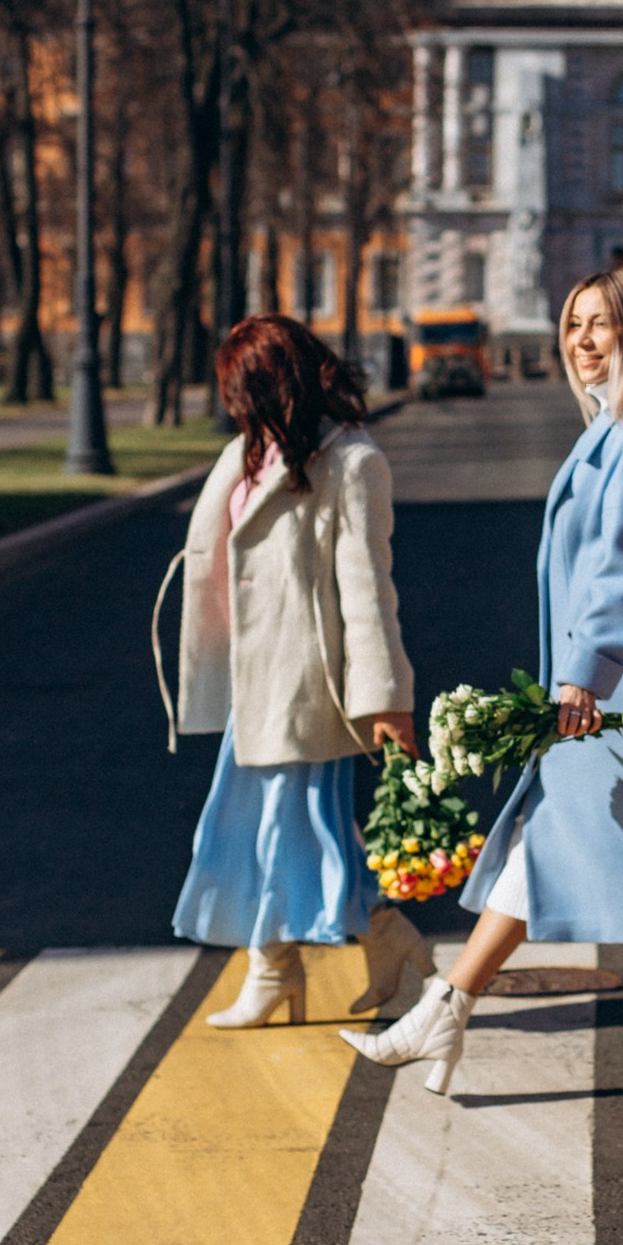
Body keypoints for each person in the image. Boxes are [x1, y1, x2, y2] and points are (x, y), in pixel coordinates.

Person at [341, 268, 623, 1107]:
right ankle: (448, 1007)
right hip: (608, 696)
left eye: (601, 324)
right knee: (547, 843)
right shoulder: (618, 424)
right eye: (573, 324)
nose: (581, 339)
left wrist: (584, 675)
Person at [153, 314, 430, 1028]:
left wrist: (386, 698)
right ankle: (336, 951)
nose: (236, 405)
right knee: (258, 831)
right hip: (254, 684)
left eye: (246, 388)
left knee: (290, 833)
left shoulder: (352, 463)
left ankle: (291, 968)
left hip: (308, 690)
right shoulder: (248, 455)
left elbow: (369, 591)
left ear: (285, 381)